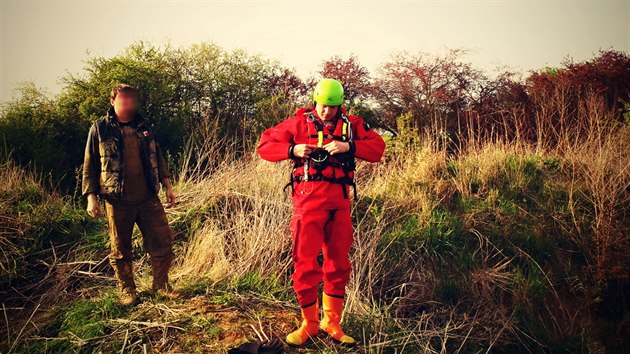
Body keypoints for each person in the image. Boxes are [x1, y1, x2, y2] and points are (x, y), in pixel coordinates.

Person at [257, 78, 386, 347]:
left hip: (339, 204)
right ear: (314, 100)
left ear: (340, 105)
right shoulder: (298, 123)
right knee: (304, 265)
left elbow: (377, 149)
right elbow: (264, 147)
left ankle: (332, 322)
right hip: (307, 205)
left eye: (331, 106)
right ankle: (309, 324)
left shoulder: (352, 126)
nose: (325, 111)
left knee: (338, 264)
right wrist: (292, 149)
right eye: (321, 105)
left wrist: (348, 146)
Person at [82, 84, 177, 305]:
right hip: (117, 200)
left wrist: (167, 184)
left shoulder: (143, 125)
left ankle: (161, 285)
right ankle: (127, 290)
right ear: (113, 101)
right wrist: (91, 196)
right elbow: (90, 163)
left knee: (162, 241)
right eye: (123, 100)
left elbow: (157, 155)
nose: (128, 104)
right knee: (120, 249)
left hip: (148, 198)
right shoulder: (100, 128)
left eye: (131, 100)